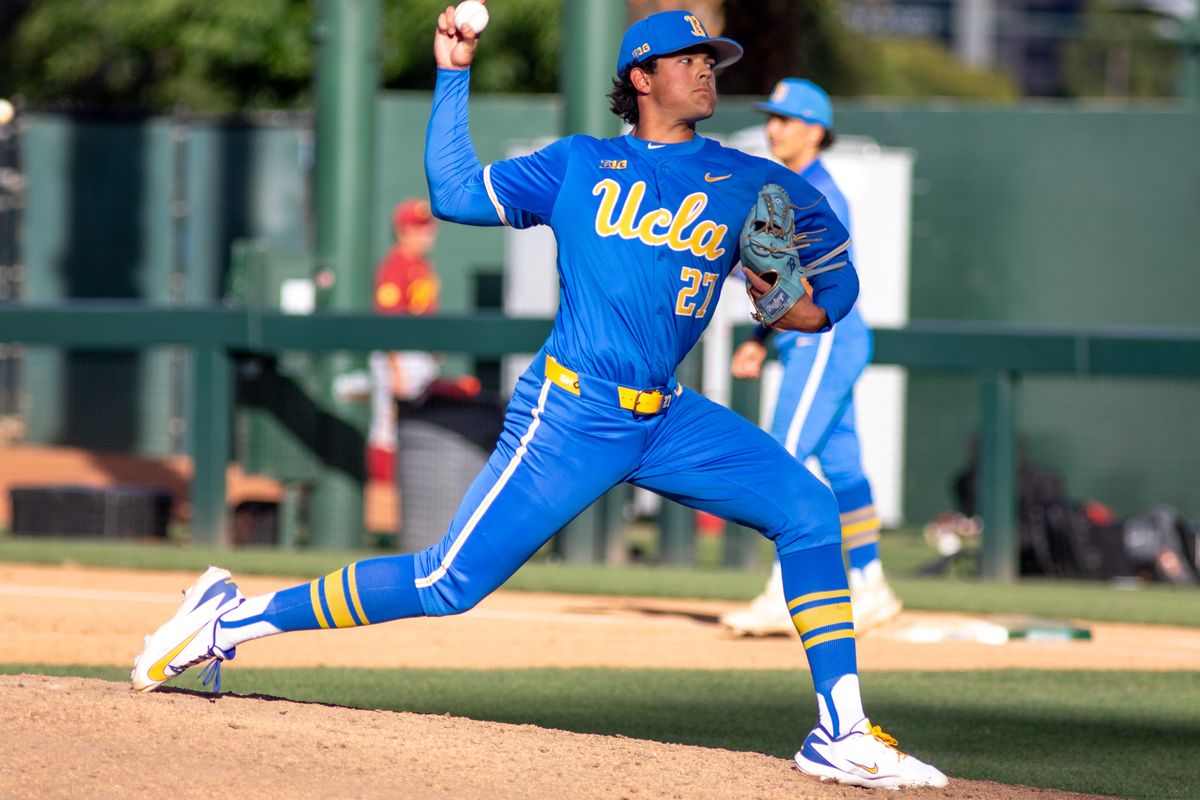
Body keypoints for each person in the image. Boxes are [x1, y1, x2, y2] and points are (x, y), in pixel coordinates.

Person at [131, 7, 946, 790]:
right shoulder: (579, 165)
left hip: (666, 417)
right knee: (448, 583)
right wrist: (454, 73)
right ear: (643, 75)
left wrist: (787, 299)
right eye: (691, 60)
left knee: (808, 506)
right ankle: (227, 620)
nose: (708, 70)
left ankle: (840, 731)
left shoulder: (748, 179)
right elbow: (453, 192)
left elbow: (830, 291)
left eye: (713, 61)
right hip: (572, 413)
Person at [719, 79, 902, 637]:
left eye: (787, 119)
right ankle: (871, 586)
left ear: (816, 130)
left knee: (783, 459)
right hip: (829, 340)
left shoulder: (814, 190)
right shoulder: (792, 184)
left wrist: (764, 332)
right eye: (771, 117)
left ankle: (783, 592)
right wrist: (760, 339)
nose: (774, 128)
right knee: (843, 467)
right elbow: (784, 283)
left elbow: (806, 288)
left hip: (825, 340)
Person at [366, 198, 443, 484]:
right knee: (387, 428)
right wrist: (394, 368)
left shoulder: (422, 265)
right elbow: (388, 325)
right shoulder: (395, 266)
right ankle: (383, 495)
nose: (427, 234)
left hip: (419, 355)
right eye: (419, 228)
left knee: (419, 425)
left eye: (428, 228)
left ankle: (411, 487)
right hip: (397, 355)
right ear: (403, 231)